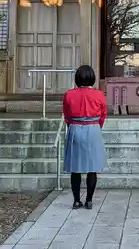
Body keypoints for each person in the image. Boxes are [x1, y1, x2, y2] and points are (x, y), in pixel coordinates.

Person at [62, 65, 107, 209]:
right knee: (92, 167)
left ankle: (76, 200)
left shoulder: (69, 94)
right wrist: (96, 126)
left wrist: (72, 126)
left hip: (75, 127)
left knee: (75, 168)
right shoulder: (99, 95)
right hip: (93, 128)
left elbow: (67, 114)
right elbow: (103, 114)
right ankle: (89, 200)